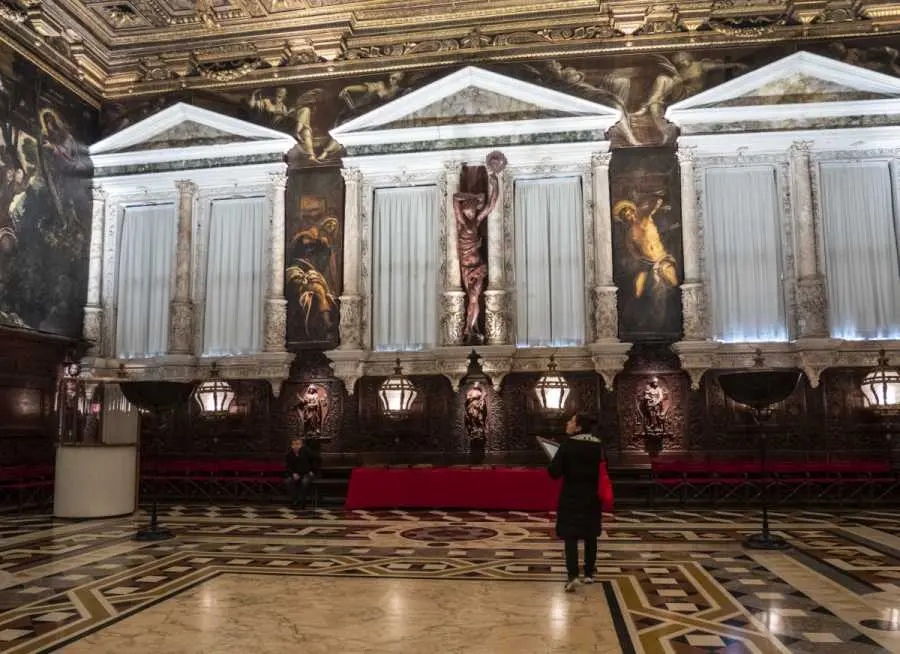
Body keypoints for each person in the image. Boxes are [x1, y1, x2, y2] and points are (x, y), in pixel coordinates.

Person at [548, 412, 605, 593]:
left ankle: (573, 576)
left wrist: (554, 458)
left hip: (571, 497)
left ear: (578, 427)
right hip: (591, 496)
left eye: (571, 421)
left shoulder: (567, 446)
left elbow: (554, 473)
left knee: (570, 536)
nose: (568, 423)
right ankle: (589, 572)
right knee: (590, 535)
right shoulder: (598, 446)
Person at [285, 437, 321, 509]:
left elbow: (317, 459)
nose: (296, 446)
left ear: (301, 445)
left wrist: (313, 471)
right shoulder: (289, 455)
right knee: (288, 481)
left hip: (307, 473)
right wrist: (293, 474)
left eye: (298, 444)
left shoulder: (307, 451)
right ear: (291, 446)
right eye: (294, 444)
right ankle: (295, 501)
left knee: (305, 481)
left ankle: (303, 502)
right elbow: (288, 467)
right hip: (296, 474)